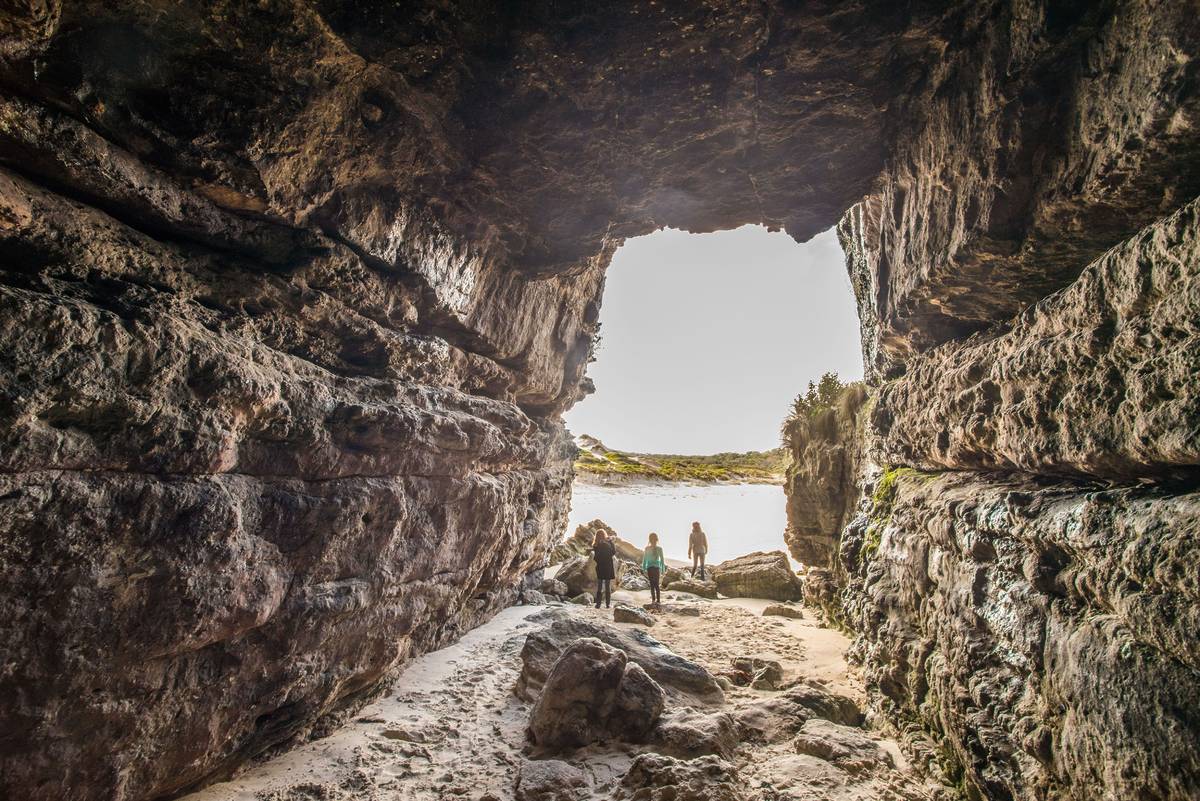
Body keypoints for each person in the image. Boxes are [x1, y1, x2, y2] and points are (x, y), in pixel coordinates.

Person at [592, 528, 616, 608]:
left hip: (600, 566)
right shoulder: (607, 544)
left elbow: (596, 557)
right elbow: (613, 552)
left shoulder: (596, 545)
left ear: (597, 536)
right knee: (607, 585)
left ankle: (598, 604)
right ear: (604, 535)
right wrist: (610, 541)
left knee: (599, 585)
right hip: (608, 566)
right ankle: (607, 604)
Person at [642, 532, 666, 606]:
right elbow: (662, 560)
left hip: (650, 568)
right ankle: (658, 601)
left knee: (652, 585)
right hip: (656, 568)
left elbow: (645, 560)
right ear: (657, 539)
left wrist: (644, 569)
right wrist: (663, 570)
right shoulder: (659, 549)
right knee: (657, 585)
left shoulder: (647, 548)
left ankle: (653, 600)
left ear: (649, 539)